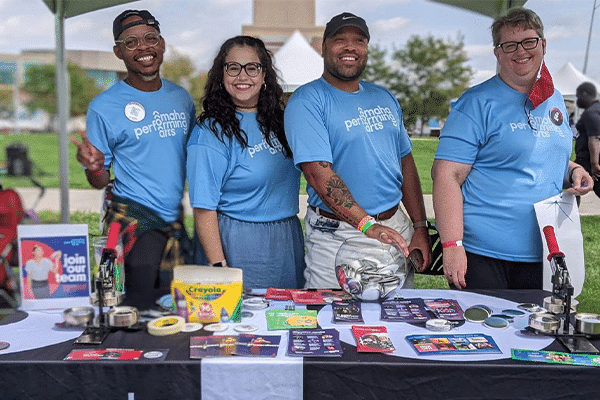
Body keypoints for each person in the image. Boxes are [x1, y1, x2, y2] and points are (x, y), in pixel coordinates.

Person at [432, 8, 593, 290]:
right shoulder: (476, 103)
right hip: (484, 255)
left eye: (529, 41)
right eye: (509, 44)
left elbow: (546, 156)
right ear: (497, 52)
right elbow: (446, 175)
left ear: (543, 45)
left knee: (541, 331)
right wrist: (452, 244)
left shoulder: (554, 98)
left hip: (546, 250)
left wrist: (575, 170)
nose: (520, 51)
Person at [284, 12, 431, 289]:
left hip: (395, 228)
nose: (350, 47)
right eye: (340, 40)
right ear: (324, 47)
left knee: (395, 317)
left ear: (366, 48)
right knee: (331, 318)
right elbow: (318, 174)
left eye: (359, 40)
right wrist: (366, 225)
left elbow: (405, 162)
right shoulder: (308, 100)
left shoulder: (384, 97)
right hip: (338, 233)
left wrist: (420, 227)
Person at [70, 10, 196, 308]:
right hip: (134, 224)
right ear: (118, 51)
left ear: (162, 44)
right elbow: (98, 181)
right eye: (131, 42)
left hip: (175, 223)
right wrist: (95, 166)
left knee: (177, 312)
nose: (143, 48)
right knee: (134, 311)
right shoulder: (104, 106)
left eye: (150, 38)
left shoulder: (181, 98)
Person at [187, 36, 305, 289]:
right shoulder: (210, 132)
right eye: (233, 68)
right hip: (238, 243)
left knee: (286, 321)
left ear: (264, 76)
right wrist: (219, 268)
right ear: (221, 75)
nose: (243, 76)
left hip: (286, 240)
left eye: (252, 68)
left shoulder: (284, 122)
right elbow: (203, 208)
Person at [575, 82, 600, 197]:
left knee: (574, 185)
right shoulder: (597, 109)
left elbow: (595, 137)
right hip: (588, 161)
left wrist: (594, 165)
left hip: (590, 162)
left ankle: (570, 214)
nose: (577, 99)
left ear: (585, 94)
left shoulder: (591, 113)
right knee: (575, 187)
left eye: (578, 96)